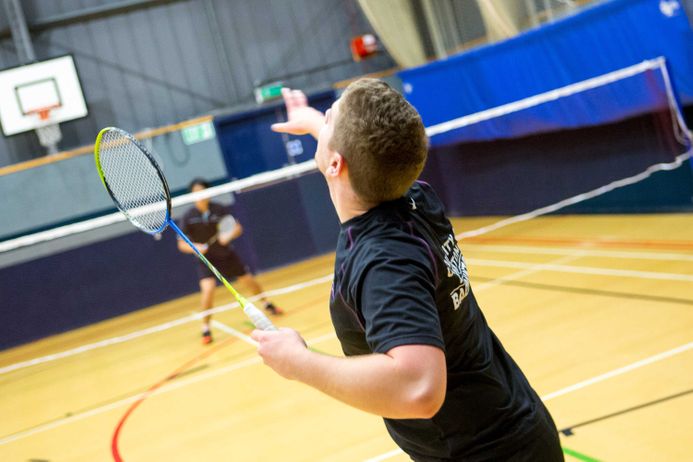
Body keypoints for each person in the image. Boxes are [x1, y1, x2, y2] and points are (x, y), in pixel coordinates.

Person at [250, 79, 564, 461]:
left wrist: (299, 362)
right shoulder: (416, 194)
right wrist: (318, 124)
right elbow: (366, 155)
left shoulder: (385, 261)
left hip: (487, 453)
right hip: (514, 424)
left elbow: (420, 388)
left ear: (336, 163)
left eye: (332, 117)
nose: (327, 114)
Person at [178, 178, 283, 345]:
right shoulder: (188, 217)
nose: (199, 195)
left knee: (249, 281)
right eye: (195, 192)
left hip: (226, 255)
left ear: (208, 193)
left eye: (202, 191)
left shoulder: (219, 209)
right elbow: (182, 244)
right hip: (206, 260)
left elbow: (237, 227)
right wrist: (196, 247)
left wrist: (229, 235)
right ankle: (206, 328)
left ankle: (267, 303)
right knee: (208, 291)